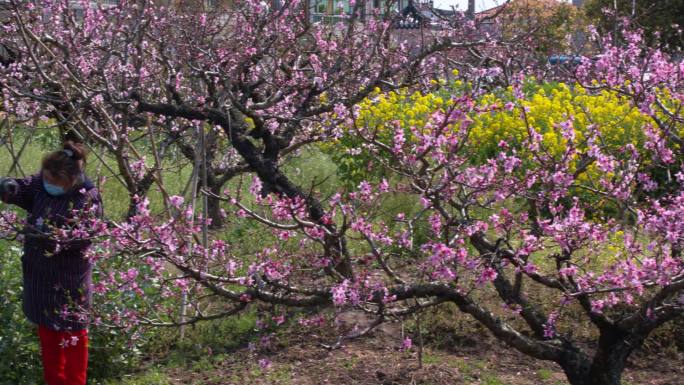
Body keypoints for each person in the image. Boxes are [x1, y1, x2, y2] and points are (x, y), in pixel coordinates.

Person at [0, 141, 103, 385]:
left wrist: (52, 238)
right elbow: (25, 188)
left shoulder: (86, 198)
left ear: (70, 180)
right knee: (49, 341)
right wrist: (9, 187)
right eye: (44, 177)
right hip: (40, 280)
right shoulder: (41, 184)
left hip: (69, 283)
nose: (46, 183)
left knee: (74, 340)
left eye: (52, 181)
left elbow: (86, 236)